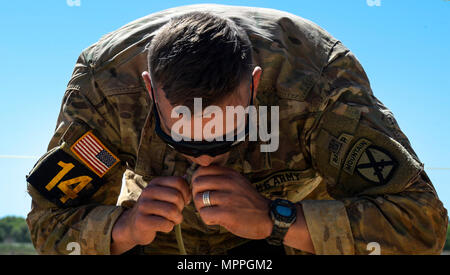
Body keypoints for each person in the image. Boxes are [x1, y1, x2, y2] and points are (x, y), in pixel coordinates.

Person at [26, 4, 448, 255]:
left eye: (227, 136)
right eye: (182, 139)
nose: (206, 159)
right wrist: (125, 229)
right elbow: (50, 227)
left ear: (257, 84)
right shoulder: (104, 87)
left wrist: (277, 219)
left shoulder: (318, 82)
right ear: (149, 91)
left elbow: (420, 226)